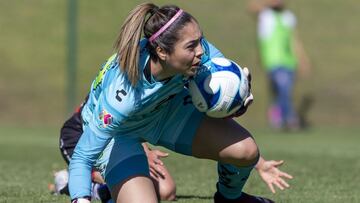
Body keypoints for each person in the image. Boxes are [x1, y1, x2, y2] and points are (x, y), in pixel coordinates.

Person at [68, 3, 292, 203]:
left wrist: (236, 99)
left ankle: (229, 199)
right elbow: (82, 157)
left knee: (246, 150)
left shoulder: (198, 54)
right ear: (162, 51)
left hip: (166, 113)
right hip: (120, 135)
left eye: (200, 40)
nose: (201, 51)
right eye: (191, 46)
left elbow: (220, 98)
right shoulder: (122, 94)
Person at [51, 98, 176, 202]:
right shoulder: (119, 78)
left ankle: (103, 189)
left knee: (166, 191)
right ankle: (71, 181)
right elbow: (107, 119)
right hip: (81, 134)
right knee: (113, 177)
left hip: (120, 135)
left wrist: (144, 150)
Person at [248, 0, 311, 130]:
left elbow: (294, 40)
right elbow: (251, 7)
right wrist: (269, 3)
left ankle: (279, 119)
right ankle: (290, 119)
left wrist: (302, 59)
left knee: (282, 90)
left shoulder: (289, 17)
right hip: (273, 60)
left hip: (289, 61)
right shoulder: (266, 16)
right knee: (282, 90)